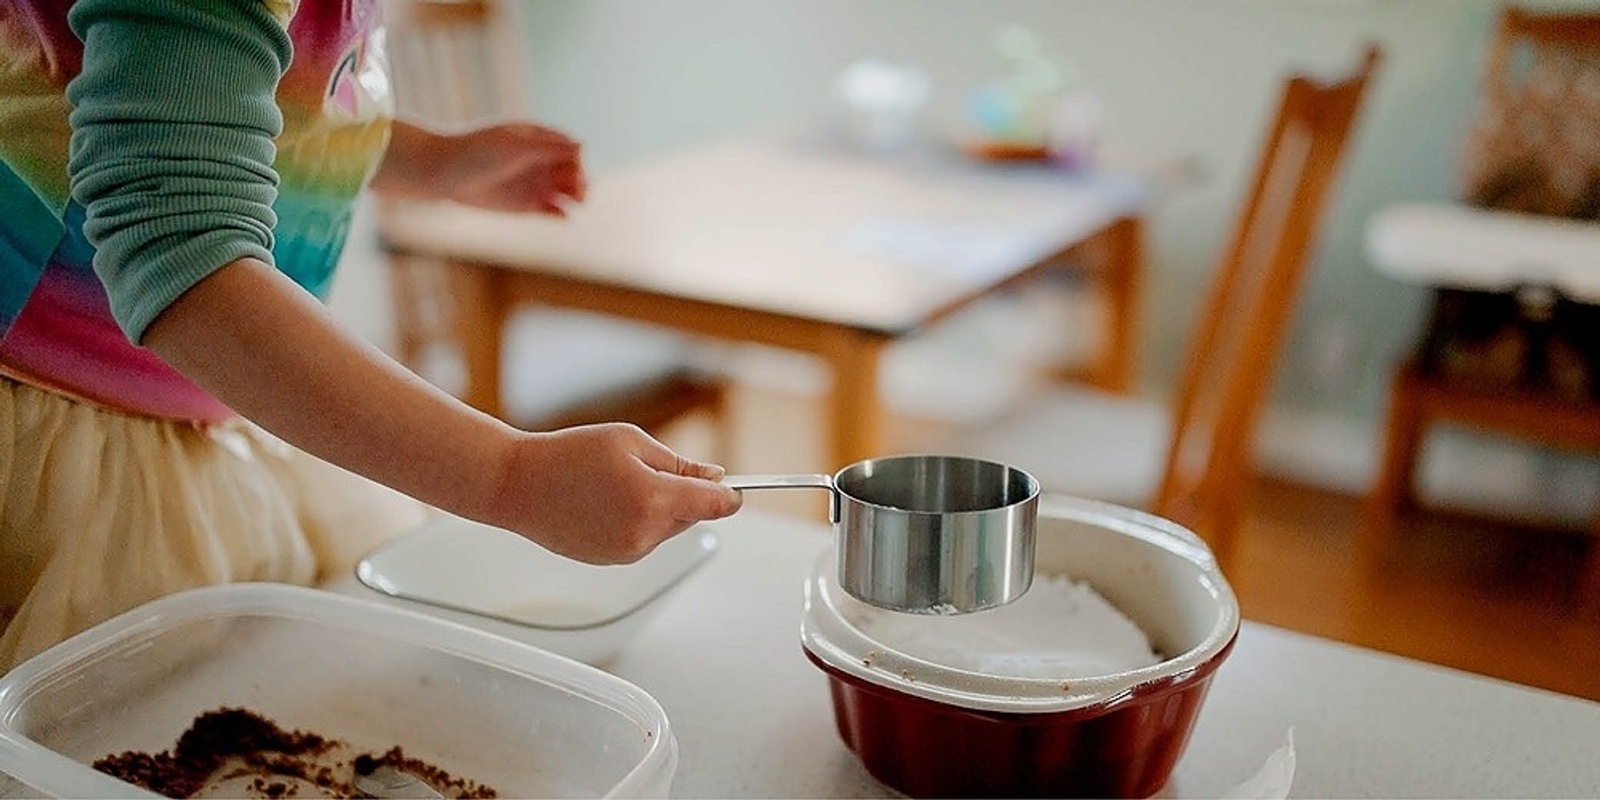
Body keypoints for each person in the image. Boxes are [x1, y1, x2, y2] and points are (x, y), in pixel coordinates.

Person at [0, 0, 742, 672]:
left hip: (209, 408)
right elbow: (181, 252)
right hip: (67, 433)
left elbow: (244, 104)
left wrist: (436, 162)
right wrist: (514, 478)